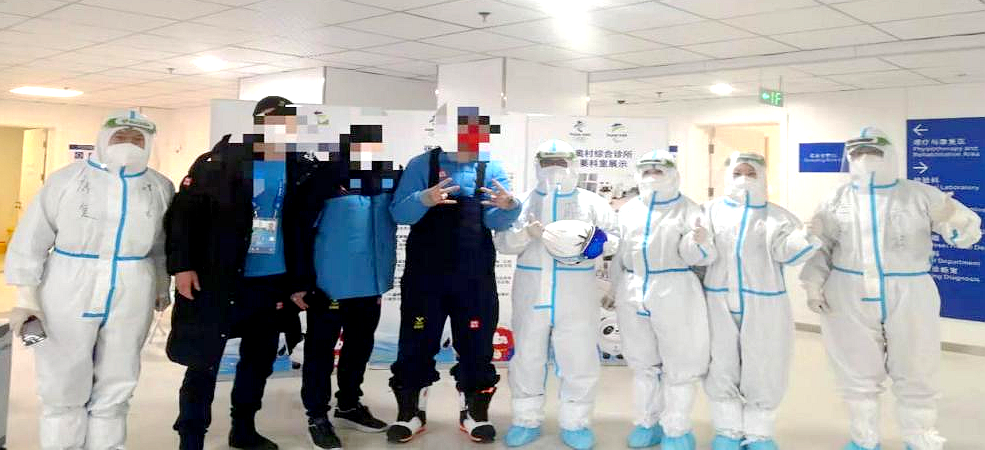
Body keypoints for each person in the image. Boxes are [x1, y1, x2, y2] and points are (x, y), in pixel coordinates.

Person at [800, 127, 981, 450]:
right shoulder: (835, 199)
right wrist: (813, 285)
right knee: (855, 370)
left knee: (917, 366)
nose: (864, 159)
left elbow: (966, 236)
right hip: (847, 290)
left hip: (910, 290)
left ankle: (919, 438)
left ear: (890, 155)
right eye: (857, 154)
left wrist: (953, 219)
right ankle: (863, 440)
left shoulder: (920, 194)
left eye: (873, 152)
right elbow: (821, 248)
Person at [5, 110, 174, 450]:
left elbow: (162, 244)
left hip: (132, 286)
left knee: (119, 378)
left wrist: (160, 283)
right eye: (121, 137)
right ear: (103, 139)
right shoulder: (67, 180)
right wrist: (26, 298)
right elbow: (32, 239)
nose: (129, 144)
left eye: (137, 139)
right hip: (68, 284)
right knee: (62, 378)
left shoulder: (159, 186)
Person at [166, 96, 299, 450]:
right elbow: (184, 216)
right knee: (203, 361)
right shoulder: (219, 161)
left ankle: (243, 429)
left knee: (259, 361)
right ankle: (191, 438)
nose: (280, 125)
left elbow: (302, 225)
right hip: (220, 278)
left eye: (288, 119)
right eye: (272, 118)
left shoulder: (297, 166)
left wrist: (299, 281)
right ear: (257, 121)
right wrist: (182, 266)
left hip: (271, 281)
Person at [387, 107, 521, 444]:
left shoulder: (491, 167)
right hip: (425, 276)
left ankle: (474, 413)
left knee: (477, 345)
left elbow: (494, 221)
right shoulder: (422, 164)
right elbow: (399, 213)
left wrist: (509, 207)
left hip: (474, 276)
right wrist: (424, 198)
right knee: (416, 342)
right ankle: (410, 413)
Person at [492, 139, 619, 450]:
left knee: (578, 357)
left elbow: (614, 240)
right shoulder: (521, 202)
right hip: (531, 291)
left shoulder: (592, 203)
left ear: (573, 165)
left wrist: (590, 245)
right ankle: (526, 420)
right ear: (537, 165)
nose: (554, 169)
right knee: (527, 356)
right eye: (547, 163)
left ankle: (576, 423)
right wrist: (525, 233)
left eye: (560, 162)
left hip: (576, 294)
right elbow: (503, 243)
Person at [286, 124, 399, 448]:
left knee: (359, 347)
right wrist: (300, 282)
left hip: (370, 284)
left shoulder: (385, 178)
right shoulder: (324, 178)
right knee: (320, 352)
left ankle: (349, 404)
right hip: (329, 285)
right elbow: (298, 230)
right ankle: (317, 415)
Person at [702, 152, 821, 450]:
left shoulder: (777, 217)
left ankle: (758, 434)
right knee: (720, 364)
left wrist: (804, 236)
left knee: (765, 364)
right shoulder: (710, 211)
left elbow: (788, 254)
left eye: (751, 173)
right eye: (737, 173)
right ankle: (727, 431)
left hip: (765, 303)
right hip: (717, 300)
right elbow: (698, 254)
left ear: (763, 176)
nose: (744, 179)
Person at [609, 149, 715, 450]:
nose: (653, 176)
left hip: (675, 290)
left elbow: (702, 257)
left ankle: (677, 430)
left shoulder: (689, 210)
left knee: (679, 364)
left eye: (659, 171)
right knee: (642, 363)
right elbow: (621, 255)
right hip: (633, 290)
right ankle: (646, 424)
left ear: (673, 174)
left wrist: (698, 241)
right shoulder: (629, 210)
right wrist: (614, 289)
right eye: (647, 171)